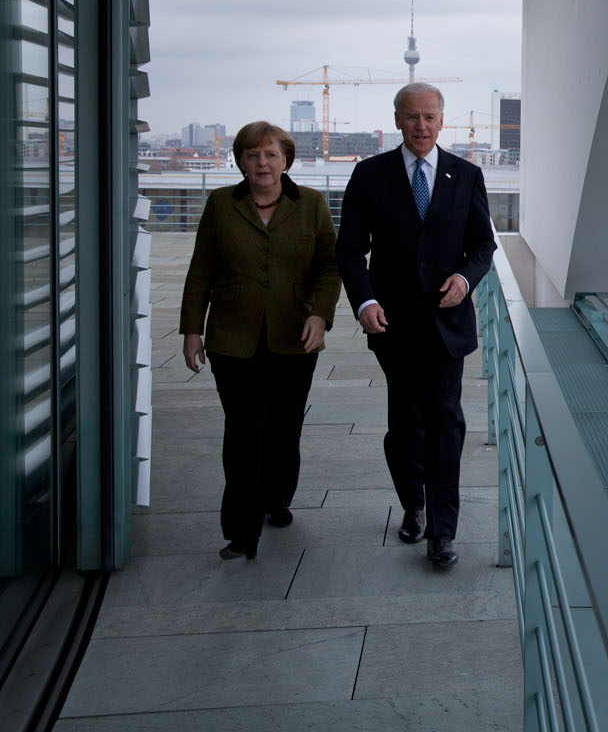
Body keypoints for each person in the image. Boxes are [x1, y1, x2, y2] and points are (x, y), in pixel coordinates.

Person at [336, 83, 497, 570]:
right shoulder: (370, 175)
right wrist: (363, 300)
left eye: (429, 117)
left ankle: (443, 533)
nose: (421, 125)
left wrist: (466, 281)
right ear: (397, 120)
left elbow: (482, 247)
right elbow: (349, 249)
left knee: (445, 423)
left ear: (442, 120)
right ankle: (414, 503)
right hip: (393, 324)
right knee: (404, 424)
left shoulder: (466, 175)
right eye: (411, 117)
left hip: (447, 323)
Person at [180, 122, 340, 560]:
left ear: (286, 159)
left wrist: (320, 315)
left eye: (270, 155)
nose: (262, 164)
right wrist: (192, 330)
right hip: (233, 340)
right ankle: (240, 531)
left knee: (285, 429)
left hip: (295, 337)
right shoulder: (220, 204)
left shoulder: (311, 204)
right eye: (252, 156)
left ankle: (276, 497)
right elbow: (201, 271)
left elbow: (329, 267)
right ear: (240, 162)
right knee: (244, 432)